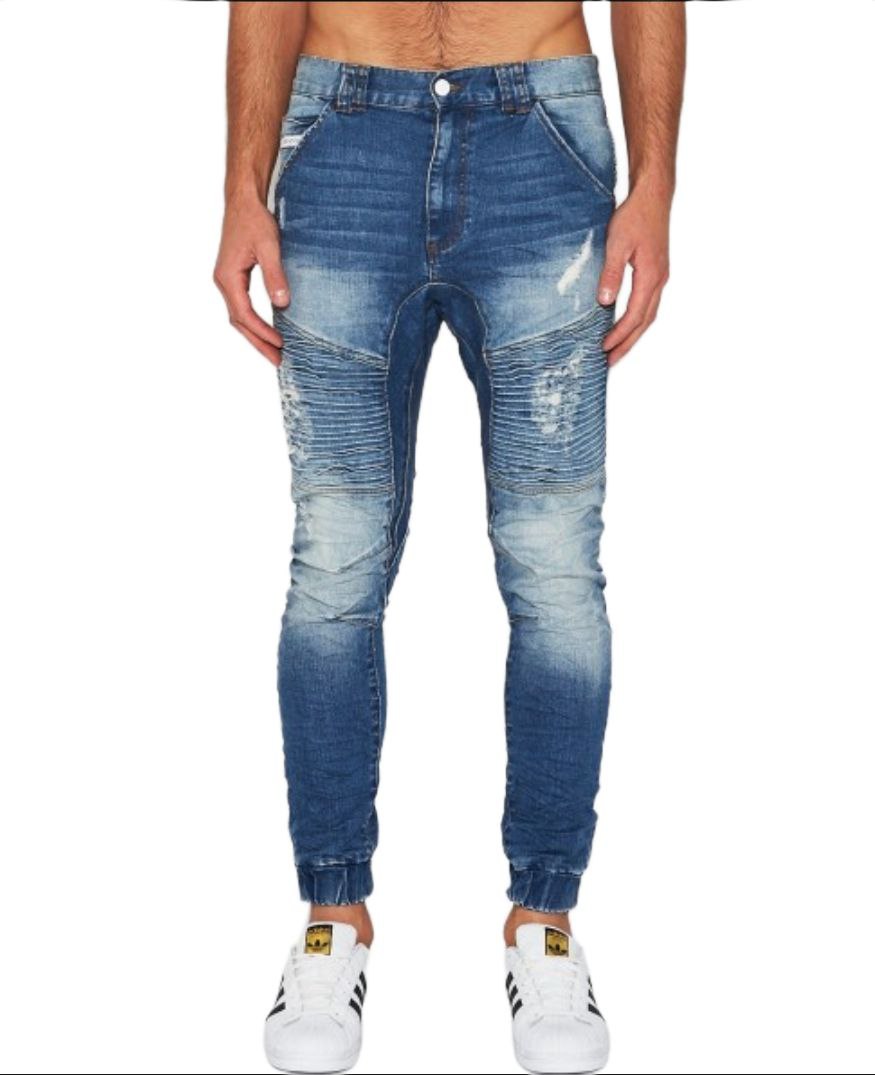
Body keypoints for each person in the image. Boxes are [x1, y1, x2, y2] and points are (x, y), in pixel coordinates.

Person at [214, 3, 684, 1071]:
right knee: (334, 558)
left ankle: (544, 922)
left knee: (553, 566)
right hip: (341, 133)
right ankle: (332, 918)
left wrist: (655, 184)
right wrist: (242, 184)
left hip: (541, 136)